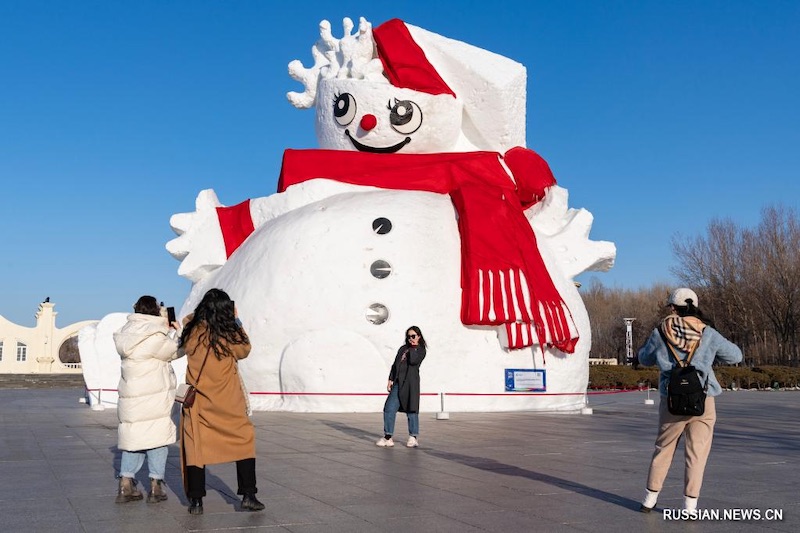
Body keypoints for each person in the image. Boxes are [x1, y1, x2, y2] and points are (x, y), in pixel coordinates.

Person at [637, 288, 742, 515]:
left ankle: (649, 499)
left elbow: (644, 358)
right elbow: (736, 356)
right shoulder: (708, 333)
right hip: (703, 400)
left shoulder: (660, 332)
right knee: (697, 453)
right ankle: (690, 506)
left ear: (673, 308)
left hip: (671, 401)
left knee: (663, 449)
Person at [178, 288, 264, 515]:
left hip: (198, 403)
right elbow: (245, 350)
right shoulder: (230, 333)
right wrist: (235, 319)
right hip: (229, 402)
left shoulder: (192, 331)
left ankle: (196, 500)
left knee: (196, 446)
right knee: (243, 442)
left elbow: (183, 341)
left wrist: (193, 318)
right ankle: (248, 494)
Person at [113, 295, 182, 504]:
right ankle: (156, 486)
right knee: (157, 439)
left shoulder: (127, 332)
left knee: (134, 439)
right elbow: (176, 350)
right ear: (154, 311)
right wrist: (177, 330)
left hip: (132, 396)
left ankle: (126, 483)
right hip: (155, 395)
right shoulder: (155, 335)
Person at [376, 326, 427, 448]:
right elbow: (395, 364)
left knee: (411, 409)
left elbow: (414, 361)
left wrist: (414, 347)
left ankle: (413, 436)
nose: (411, 338)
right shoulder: (403, 349)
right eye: (409, 336)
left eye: (413, 336)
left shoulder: (420, 350)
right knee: (389, 408)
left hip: (410, 384)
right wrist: (390, 379)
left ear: (419, 336)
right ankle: (388, 437)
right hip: (398, 383)